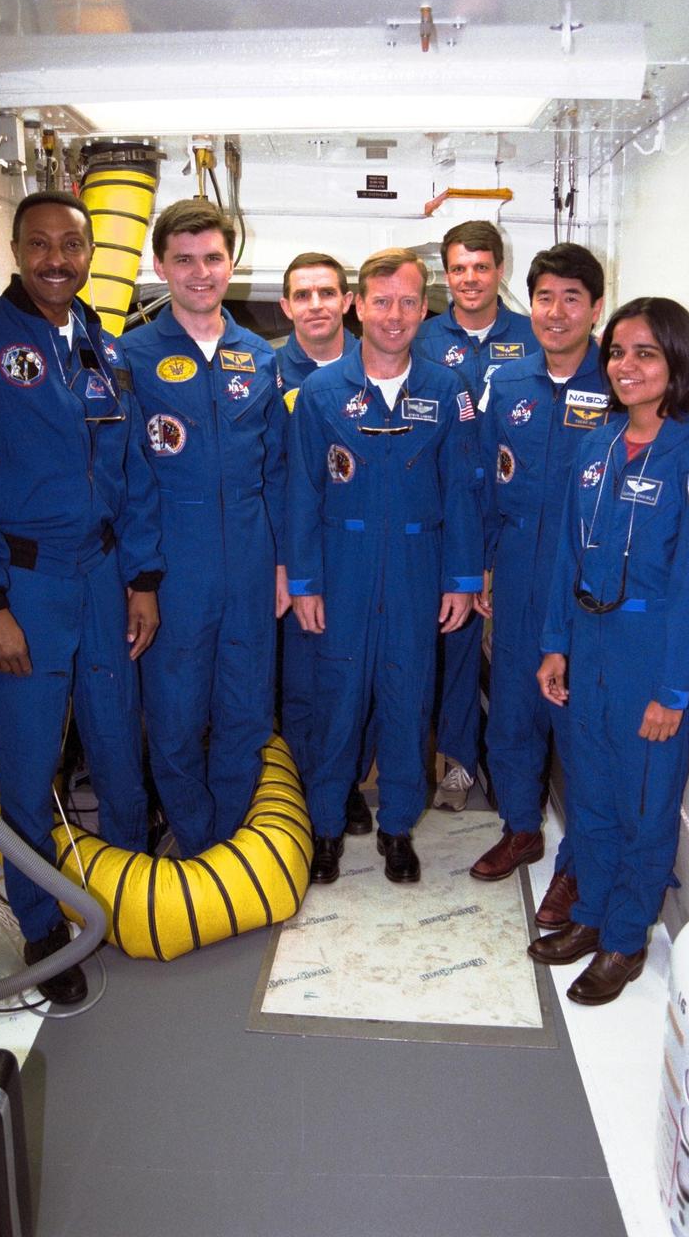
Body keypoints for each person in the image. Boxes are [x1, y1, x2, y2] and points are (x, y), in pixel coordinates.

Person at [0, 190, 164, 1005]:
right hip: (25, 585)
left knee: (115, 745)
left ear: (92, 252)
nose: (56, 259)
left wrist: (141, 580)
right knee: (27, 767)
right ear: (18, 249)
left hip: (103, 578)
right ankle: (38, 922)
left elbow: (130, 477)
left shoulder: (103, 348)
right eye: (40, 244)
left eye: (72, 244)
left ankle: (128, 890)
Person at [530, 297, 689, 1004]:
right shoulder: (596, 443)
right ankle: (589, 914)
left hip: (650, 655)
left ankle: (623, 938)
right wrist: (555, 643)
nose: (625, 366)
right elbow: (566, 553)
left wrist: (672, 691)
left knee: (642, 806)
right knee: (589, 795)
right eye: (616, 352)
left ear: (677, 361)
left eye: (644, 352)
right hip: (586, 645)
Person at [286, 248, 483, 884]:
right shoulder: (320, 393)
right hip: (342, 568)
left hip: (416, 568)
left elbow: (462, 491)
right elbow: (302, 494)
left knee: (406, 701)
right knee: (335, 703)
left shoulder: (446, 390)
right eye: (380, 302)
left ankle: (397, 827)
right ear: (357, 306)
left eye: (406, 302)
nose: (393, 316)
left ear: (423, 309)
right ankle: (324, 829)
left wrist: (460, 578)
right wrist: (307, 582)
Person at [122, 200, 287, 857]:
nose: (199, 273)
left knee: (246, 715)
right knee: (173, 719)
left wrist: (281, 565)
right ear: (160, 265)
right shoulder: (129, 357)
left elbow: (276, 470)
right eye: (184, 259)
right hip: (172, 571)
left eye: (212, 258)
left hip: (250, 567)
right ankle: (193, 841)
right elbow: (126, 480)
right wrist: (140, 578)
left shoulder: (258, 356)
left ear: (231, 263)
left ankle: (231, 845)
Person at [469, 243, 609, 931]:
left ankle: (578, 865)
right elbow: (486, 482)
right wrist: (489, 566)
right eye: (545, 298)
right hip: (520, 565)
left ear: (595, 308)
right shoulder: (509, 383)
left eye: (571, 300)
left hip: (587, 581)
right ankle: (521, 826)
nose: (555, 314)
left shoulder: (618, 385)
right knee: (514, 713)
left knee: (580, 730)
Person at [416, 220, 539, 812]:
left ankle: (488, 771)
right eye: (459, 268)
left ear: (499, 271)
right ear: (447, 273)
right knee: (446, 636)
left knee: (503, 648)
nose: (469, 279)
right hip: (442, 509)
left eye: (481, 266)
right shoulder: (420, 335)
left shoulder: (535, 335)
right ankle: (438, 762)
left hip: (514, 512)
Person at [276, 253, 372, 834]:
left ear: (348, 302)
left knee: (360, 681)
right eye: (303, 295)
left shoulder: (384, 367)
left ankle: (348, 784)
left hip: (366, 554)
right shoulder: (263, 371)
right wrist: (284, 562)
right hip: (298, 552)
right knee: (304, 681)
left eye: (327, 293)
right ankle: (303, 793)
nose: (316, 305)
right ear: (286, 306)